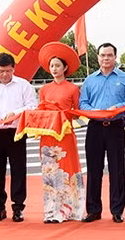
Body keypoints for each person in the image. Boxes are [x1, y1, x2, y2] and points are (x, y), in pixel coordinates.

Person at [79, 42, 125, 223]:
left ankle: (117, 210)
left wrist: (117, 108)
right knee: (94, 169)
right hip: (95, 127)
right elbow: (82, 103)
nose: (106, 58)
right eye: (102, 55)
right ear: (97, 57)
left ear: (115, 57)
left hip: (115, 127)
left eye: (109, 55)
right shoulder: (90, 80)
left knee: (117, 169)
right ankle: (93, 210)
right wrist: (94, 111)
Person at [0, 52, 37, 222]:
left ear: (14, 69)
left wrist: (15, 113)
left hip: (15, 132)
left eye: (8, 71)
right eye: (1, 71)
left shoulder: (23, 85)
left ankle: (18, 208)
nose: (5, 75)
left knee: (18, 170)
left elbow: (32, 105)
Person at [35, 42, 85, 223]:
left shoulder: (72, 89)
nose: (54, 69)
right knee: (50, 172)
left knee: (66, 169)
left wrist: (63, 116)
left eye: (57, 65)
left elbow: (78, 111)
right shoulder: (44, 89)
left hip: (65, 135)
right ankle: (51, 211)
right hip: (48, 136)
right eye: (51, 66)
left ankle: (70, 210)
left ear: (65, 68)